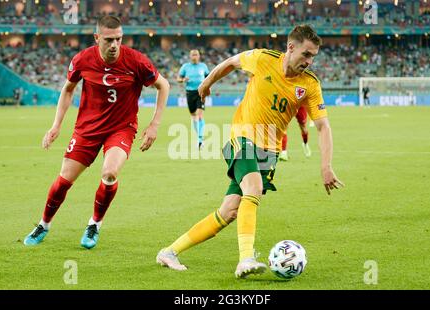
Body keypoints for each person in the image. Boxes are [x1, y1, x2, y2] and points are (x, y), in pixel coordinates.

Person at [156, 25, 343, 278]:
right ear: (291, 47)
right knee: (252, 189)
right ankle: (245, 259)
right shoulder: (263, 59)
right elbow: (232, 62)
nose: (309, 62)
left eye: (313, 57)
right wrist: (208, 81)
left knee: (230, 211)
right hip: (242, 138)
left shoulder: (309, 85)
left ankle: (169, 252)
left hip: (270, 150)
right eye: (306, 54)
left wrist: (326, 166)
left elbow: (323, 126)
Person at [23, 16, 169, 249]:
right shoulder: (82, 59)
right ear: (97, 38)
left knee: (110, 173)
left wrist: (154, 124)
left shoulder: (136, 60)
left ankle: (94, 224)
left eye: (118, 39)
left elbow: (164, 85)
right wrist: (56, 125)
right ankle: (44, 224)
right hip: (87, 129)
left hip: (121, 128)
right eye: (109, 40)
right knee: (63, 181)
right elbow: (68, 89)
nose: (114, 45)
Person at [177, 49, 209, 149]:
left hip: (200, 92)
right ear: (190, 56)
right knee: (193, 116)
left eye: (196, 54)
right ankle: (199, 137)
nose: (194, 56)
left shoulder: (203, 66)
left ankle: (200, 140)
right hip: (189, 93)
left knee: (199, 115)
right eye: (193, 55)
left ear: (199, 56)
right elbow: (178, 79)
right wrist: (183, 80)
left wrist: (208, 87)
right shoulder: (185, 67)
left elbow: (209, 78)